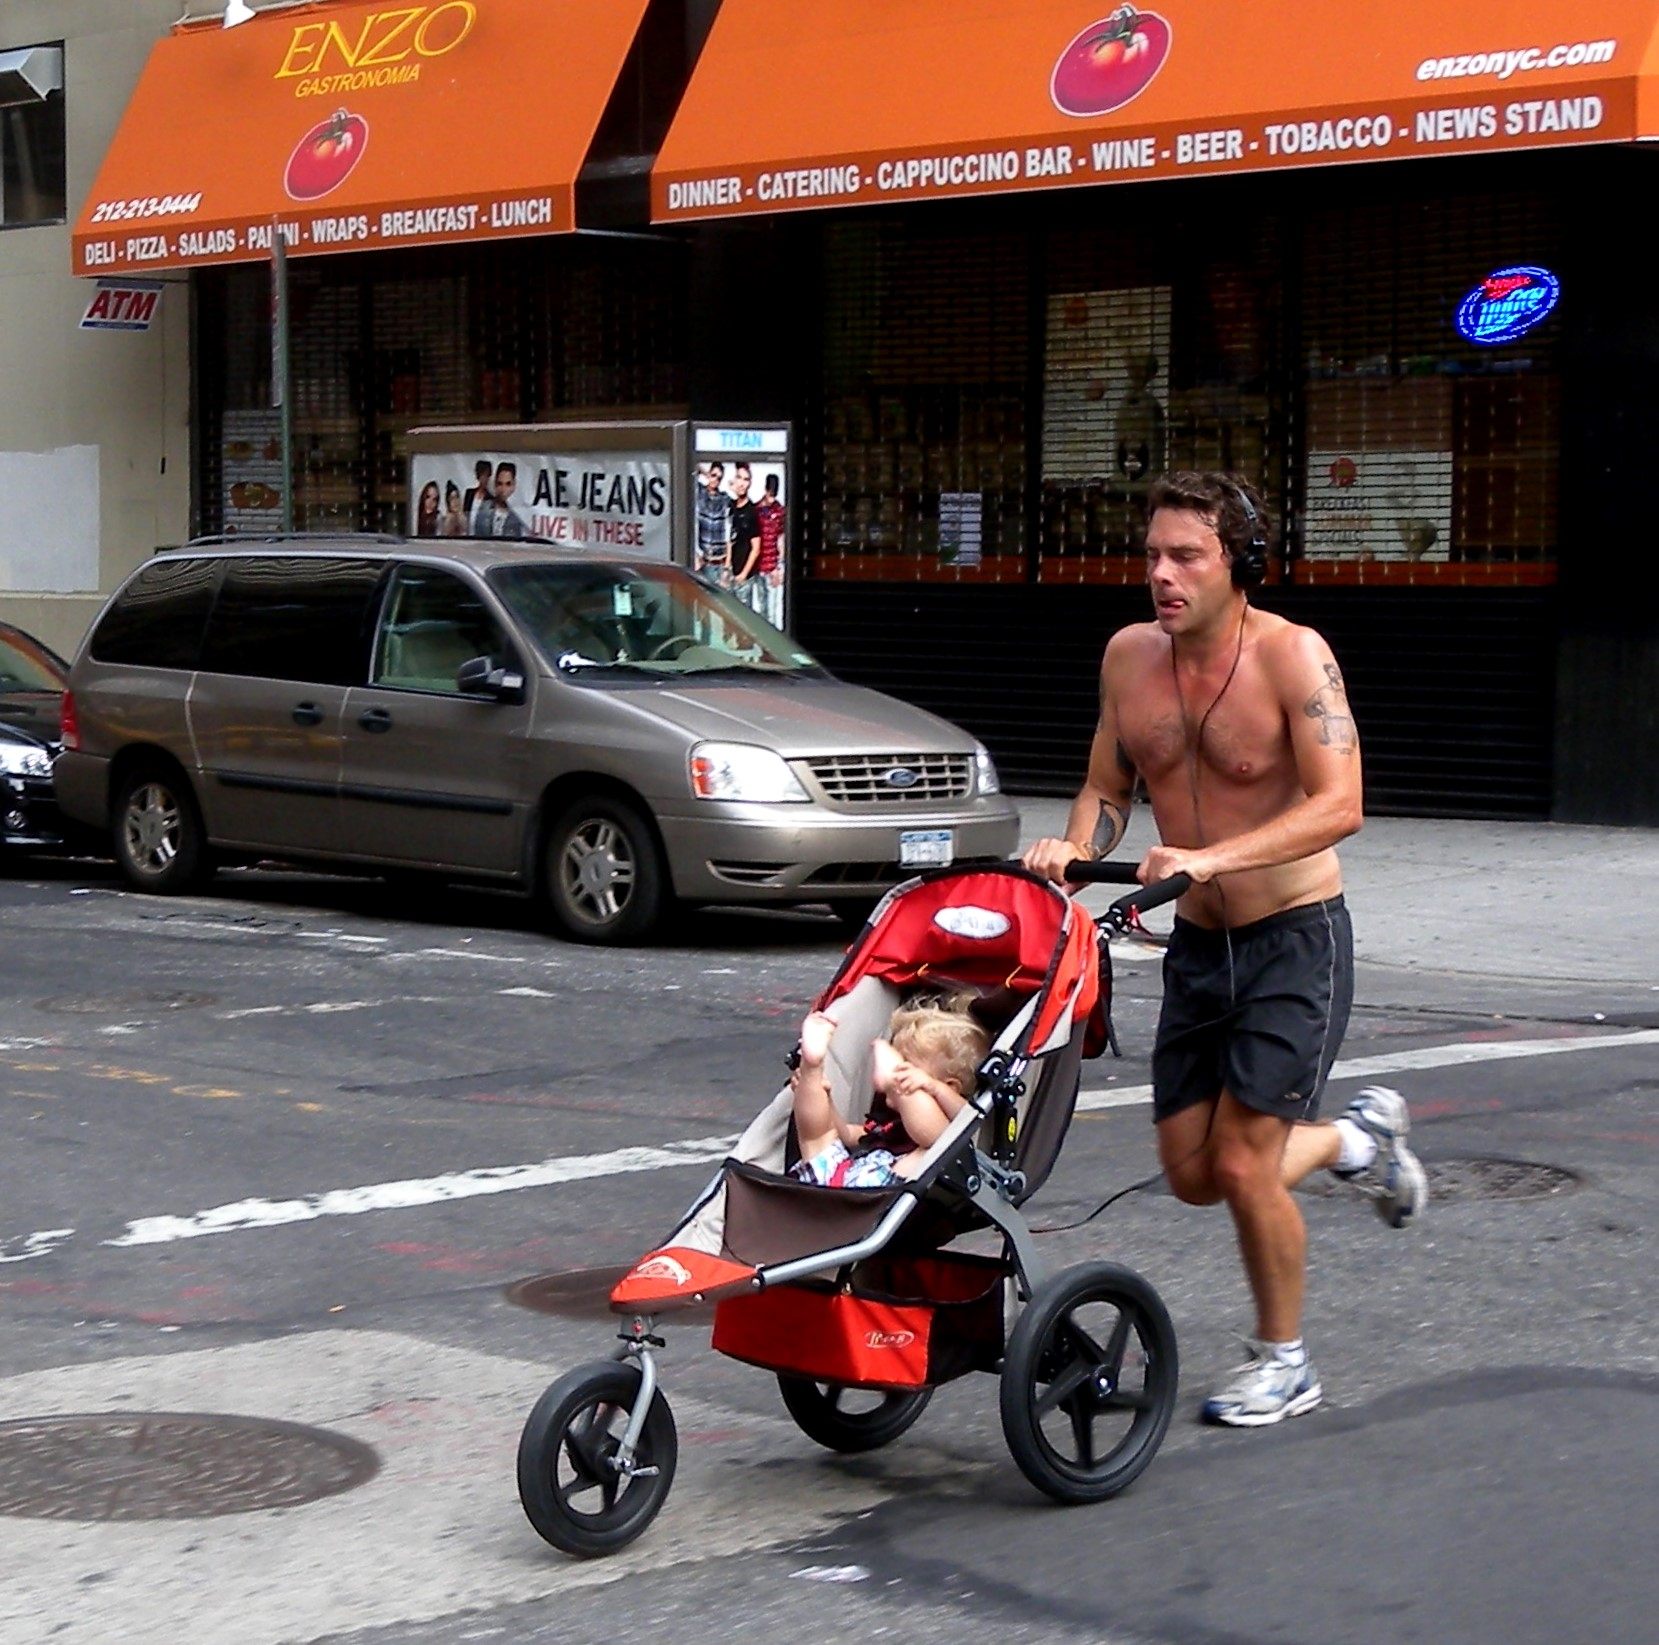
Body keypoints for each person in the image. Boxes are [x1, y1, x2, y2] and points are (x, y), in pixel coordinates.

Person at [1022, 469, 1427, 1429]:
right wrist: (1079, 846)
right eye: (1152, 554)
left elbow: (1342, 805)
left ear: (1236, 561)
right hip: (1199, 948)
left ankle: (1283, 1361)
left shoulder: (1296, 657)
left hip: (1294, 940)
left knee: (1245, 1164)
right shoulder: (1129, 657)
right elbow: (1108, 783)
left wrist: (1212, 854)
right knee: (1194, 1173)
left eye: (1185, 556)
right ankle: (1355, 1142)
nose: (1161, 574)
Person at [789, 995, 989, 1188]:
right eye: (896, 1062)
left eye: (905, 1065)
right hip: (841, 1178)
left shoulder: (950, 1122)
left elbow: (968, 1116)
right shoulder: (889, 1124)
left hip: (882, 1190)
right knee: (820, 1135)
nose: (890, 1064)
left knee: (937, 1144)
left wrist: (935, 1088)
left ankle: (812, 1070)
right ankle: (812, 1068)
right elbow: (848, 1135)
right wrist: (825, 1100)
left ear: (950, 1086)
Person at [755, 472, 787, 628]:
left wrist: (780, 567)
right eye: (770, 492)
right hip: (758, 567)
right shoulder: (757, 509)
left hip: (772, 567)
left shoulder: (780, 511)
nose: (772, 496)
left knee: (773, 613)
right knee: (761, 610)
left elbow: (781, 538)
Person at [729, 462, 763, 610]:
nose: (742, 483)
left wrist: (743, 574)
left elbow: (756, 548)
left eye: (746, 479)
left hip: (743, 577)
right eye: (739, 478)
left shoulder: (752, 512)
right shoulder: (729, 506)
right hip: (728, 573)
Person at [695, 462, 732, 586]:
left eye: (719, 477)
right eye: (714, 475)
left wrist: (727, 567)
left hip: (720, 561)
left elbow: (730, 530)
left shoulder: (724, 498)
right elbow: (691, 468)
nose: (715, 479)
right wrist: (706, 474)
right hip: (704, 561)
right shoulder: (700, 492)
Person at [475, 461, 527, 539]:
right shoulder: (484, 508)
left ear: (514, 485)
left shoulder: (519, 515)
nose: (503, 489)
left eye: (508, 484)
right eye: (500, 484)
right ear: (495, 484)